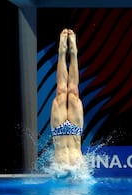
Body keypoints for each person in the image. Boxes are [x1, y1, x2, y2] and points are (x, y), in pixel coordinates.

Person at [50, 28, 84, 169]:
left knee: (61, 92)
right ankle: (73, 53)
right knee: (73, 93)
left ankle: (62, 52)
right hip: (72, 132)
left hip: (62, 134)